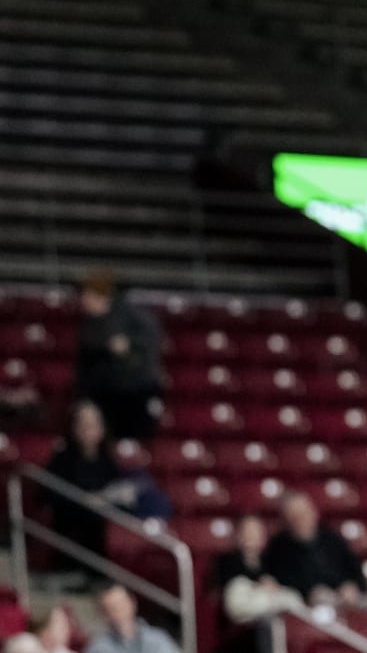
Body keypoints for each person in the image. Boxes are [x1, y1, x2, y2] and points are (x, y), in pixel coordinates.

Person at [46, 402, 133, 580]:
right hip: (74, 517)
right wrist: (86, 500)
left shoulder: (107, 459)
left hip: (106, 510)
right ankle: (91, 572)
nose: (88, 429)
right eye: (83, 423)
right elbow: (52, 494)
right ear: (73, 427)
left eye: (93, 424)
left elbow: (116, 485)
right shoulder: (62, 458)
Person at [74, 272, 164, 440]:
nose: (84, 300)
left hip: (134, 391)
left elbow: (145, 350)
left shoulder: (132, 317)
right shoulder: (88, 325)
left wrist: (128, 347)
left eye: (88, 295)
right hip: (104, 394)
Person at [212, 515, 303, 652]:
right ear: (238, 536)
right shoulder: (227, 561)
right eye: (246, 532)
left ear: (263, 538)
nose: (250, 537)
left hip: (273, 621)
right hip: (242, 631)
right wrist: (259, 589)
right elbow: (234, 602)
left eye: (255, 532)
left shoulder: (272, 563)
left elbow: (292, 597)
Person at [261, 492, 367, 608]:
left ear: (313, 513)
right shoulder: (278, 547)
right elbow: (279, 583)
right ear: (286, 519)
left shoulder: (333, 538)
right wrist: (308, 593)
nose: (300, 519)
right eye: (294, 515)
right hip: (306, 605)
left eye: (303, 513)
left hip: (344, 598)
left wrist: (352, 587)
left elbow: (357, 573)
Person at [83, 583, 179, 653]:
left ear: (133, 603)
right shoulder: (99, 646)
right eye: (112, 608)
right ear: (103, 613)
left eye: (121, 605)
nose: (119, 612)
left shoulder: (158, 638)